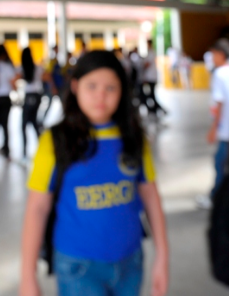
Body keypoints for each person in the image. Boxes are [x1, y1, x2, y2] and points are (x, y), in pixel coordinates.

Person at [19, 50, 169, 296]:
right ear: (76, 86)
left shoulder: (133, 138)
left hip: (130, 262)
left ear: (123, 92)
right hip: (78, 267)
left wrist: (162, 257)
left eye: (111, 88)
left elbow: (151, 197)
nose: (101, 96)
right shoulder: (54, 141)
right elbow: (37, 208)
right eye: (92, 86)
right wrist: (27, 276)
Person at [205, 39, 229, 202]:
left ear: (221, 54)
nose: (212, 58)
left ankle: (217, 196)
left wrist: (214, 129)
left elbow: (219, 103)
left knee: (219, 163)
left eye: (213, 54)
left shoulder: (219, 74)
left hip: (225, 127)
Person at [21, 47, 45, 159]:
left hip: (30, 95)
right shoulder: (37, 67)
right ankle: (42, 147)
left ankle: (25, 153)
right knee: (34, 122)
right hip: (37, 95)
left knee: (25, 124)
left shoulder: (23, 68)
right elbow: (46, 77)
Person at [139, 40, 167, 117]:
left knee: (151, 94)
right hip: (150, 77)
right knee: (150, 94)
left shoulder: (151, 53)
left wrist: (141, 67)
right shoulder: (151, 52)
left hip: (151, 77)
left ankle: (157, 109)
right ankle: (154, 108)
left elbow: (147, 64)